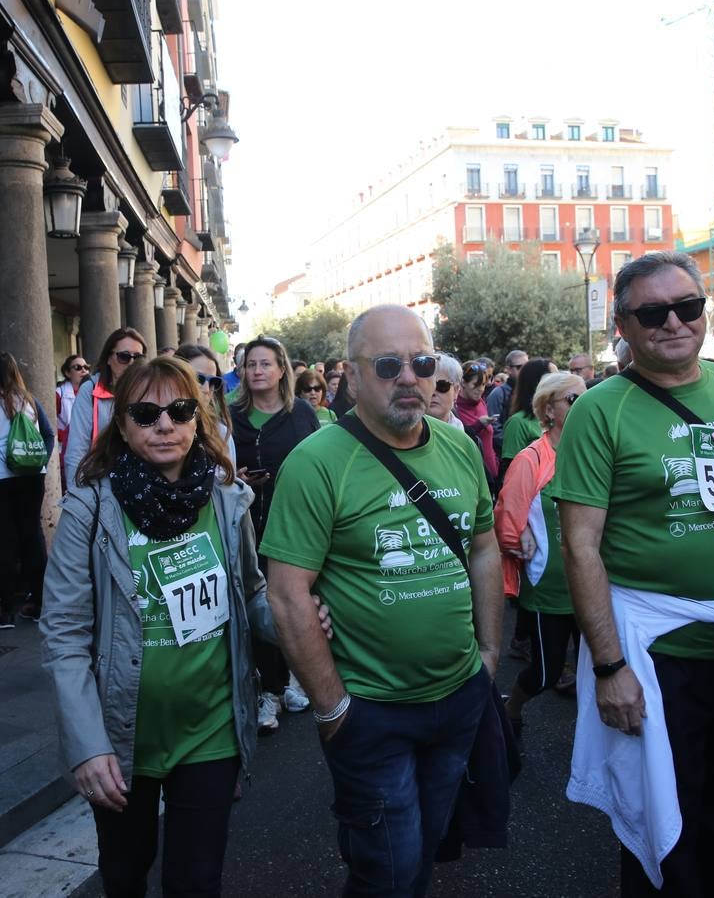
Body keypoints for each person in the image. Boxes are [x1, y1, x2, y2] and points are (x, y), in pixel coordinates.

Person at [556, 251, 714, 896]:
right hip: (659, 653)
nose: (674, 322)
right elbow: (581, 548)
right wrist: (611, 668)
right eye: (652, 312)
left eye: (688, 306)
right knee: (662, 822)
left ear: (705, 311)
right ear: (624, 324)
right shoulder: (598, 410)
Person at [261, 304, 502, 897]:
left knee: (425, 849)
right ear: (352, 373)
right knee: (388, 868)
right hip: (371, 710)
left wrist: (490, 653)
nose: (409, 377)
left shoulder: (459, 447)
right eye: (388, 363)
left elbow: (484, 547)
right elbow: (288, 592)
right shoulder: (316, 462)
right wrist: (332, 708)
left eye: (421, 363)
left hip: (459, 695)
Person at [39, 357, 275, 898]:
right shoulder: (90, 508)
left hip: (211, 730)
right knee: (125, 875)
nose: (164, 425)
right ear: (122, 425)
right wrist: (86, 744)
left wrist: (300, 620)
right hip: (122, 737)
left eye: (179, 409)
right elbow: (64, 634)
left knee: (196, 882)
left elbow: (251, 594)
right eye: (146, 414)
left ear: (198, 418)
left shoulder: (226, 500)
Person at [230, 336, 320, 732]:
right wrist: (236, 479)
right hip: (248, 527)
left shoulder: (301, 413)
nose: (258, 371)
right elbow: (216, 464)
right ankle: (270, 689)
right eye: (251, 365)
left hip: (296, 526)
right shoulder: (230, 414)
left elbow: (321, 465)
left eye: (265, 364)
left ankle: (296, 679)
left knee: (294, 602)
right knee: (259, 606)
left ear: (282, 369)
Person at [497, 372, 586, 736]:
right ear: (548, 410)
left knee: (598, 666)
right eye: (573, 400)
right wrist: (522, 534)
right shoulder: (531, 458)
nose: (583, 405)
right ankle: (510, 709)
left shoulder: (593, 452)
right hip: (549, 585)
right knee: (547, 672)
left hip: (594, 580)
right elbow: (505, 516)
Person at [0, 352, 55, 629]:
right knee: (32, 536)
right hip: (31, 474)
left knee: (3, 540)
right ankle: (39, 604)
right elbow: (44, 434)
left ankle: (6, 611)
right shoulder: (28, 398)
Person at [64, 327, 147, 489]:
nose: (131, 363)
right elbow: (76, 450)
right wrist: (77, 496)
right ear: (109, 358)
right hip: (103, 485)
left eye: (138, 358)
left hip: (142, 484)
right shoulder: (90, 390)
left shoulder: (148, 391)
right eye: (124, 357)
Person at [174, 344, 236, 469]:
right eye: (198, 379)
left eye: (213, 382)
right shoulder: (156, 428)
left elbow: (228, 482)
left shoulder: (221, 433)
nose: (207, 389)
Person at [498, 359, 556, 482]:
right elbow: (512, 471)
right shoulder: (517, 422)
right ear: (538, 383)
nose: (560, 382)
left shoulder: (557, 418)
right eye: (554, 378)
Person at [454, 360, 498, 484]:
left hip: (491, 473)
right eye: (476, 384)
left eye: (483, 384)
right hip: (472, 476)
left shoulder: (481, 403)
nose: (481, 389)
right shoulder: (454, 408)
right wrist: (478, 424)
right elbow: (460, 438)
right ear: (463, 383)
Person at [56, 354, 89, 494]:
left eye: (86, 367)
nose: (84, 370)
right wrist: (66, 435)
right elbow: (48, 424)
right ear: (67, 373)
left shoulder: (90, 392)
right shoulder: (59, 394)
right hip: (64, 451)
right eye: (78, 367)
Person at [426, 353, 466, 432]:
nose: (433, 393)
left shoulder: (464, 437)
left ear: (456, 391)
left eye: (442, 385)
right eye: (427, 386)